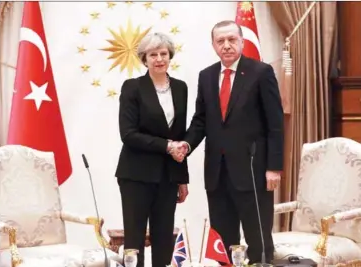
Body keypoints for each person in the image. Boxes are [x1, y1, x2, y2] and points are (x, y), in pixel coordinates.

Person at [176, 20, 284, 264]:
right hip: (217, 173)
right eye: (220, 41)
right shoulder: (206, 76)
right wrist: (187, 145)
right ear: (214, 45)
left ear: (242, 42)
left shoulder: (261, 72)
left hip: (253, 171)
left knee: (258, 240)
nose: (226, 45)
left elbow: (275, 124)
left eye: (231, 40)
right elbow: (200, 121)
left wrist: (274, 167)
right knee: (223, 242)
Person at [115, 32, 189, 267]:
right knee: (135, 238)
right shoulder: (132, 87)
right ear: (144, 59)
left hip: (168, 177)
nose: (159, 59)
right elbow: (128, 134)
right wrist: (166, 146)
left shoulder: (180, 88)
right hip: (136, 174)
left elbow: (179, 136)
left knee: (164, 238)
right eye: (153, 54)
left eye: (163, 54)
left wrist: (182, 179)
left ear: (170, 57)